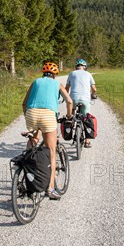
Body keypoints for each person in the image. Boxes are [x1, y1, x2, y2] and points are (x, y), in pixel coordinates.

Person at [22, 61, 73, 200]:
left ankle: (26, 166)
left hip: (31, 113)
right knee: (51, 151)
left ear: (43, 74)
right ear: (55, 75)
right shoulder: (57, 84)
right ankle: (50, 189)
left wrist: (28, 117)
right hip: (48, 116)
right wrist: (68, 116)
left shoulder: (35, 82)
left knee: (33, 141)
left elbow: (24, 103)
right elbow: (69, 101)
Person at [65, 59, 97, 148]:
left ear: (76, 67)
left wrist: (65, 97)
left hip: (73, 100)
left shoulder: (71, 74)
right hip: (85, 99)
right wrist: (94, 95)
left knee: (70, 116)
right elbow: (94, 89)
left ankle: (69, 130)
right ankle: (87, 142)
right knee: (86, 118)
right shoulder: (88, 74)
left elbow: (67, 88)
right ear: (85, 67)